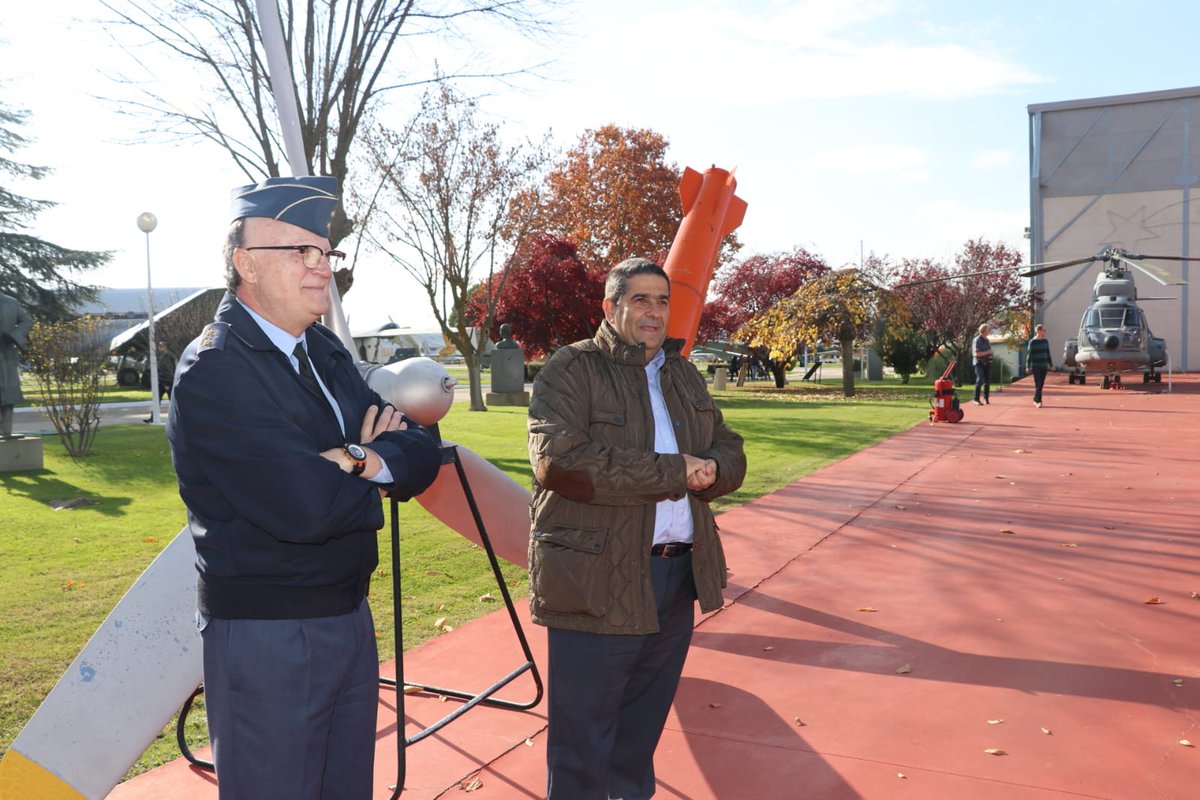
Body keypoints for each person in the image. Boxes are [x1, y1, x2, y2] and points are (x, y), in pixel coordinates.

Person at [165, 175, 442, 799]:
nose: (323, 269)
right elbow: (305, 507)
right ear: (245, 264)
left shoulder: (321, 350)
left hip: (348, 616)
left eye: (326, 252)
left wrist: (351, 458)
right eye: (300, 252)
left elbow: (421, 447)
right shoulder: (215, 368)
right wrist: (372, 457)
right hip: (268, 635)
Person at [527, 257, 747, 800]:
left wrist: (716, 469)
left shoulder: (682, 372)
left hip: (676, 577)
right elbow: (560, 462)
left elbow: (729, 446)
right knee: (583, 744)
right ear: (611, 306)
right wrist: (676, 471)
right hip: (596, 576)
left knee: (638, 737)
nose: (654, 312)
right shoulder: (572, 368)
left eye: (663, 301)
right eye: (641, 299)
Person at [0, 292, 34, 439]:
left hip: (6, 353)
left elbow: (27, 321)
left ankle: (6, 431)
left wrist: (13, 335)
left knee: (8, 394)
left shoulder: (10, 302)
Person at [1026, 323, 1053, 407]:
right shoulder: (1032, 342)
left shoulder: (1045, 341)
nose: (1045, 332)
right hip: (1036, 365)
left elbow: (1048, 353)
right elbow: (1029, 355)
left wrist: (1051, 364)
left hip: (1044, 365)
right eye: (1043, 330)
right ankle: (1039, 401)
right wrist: (1027, 366)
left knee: (1041, 384)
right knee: (1038, 383)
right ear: (1039, 331)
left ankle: (1035, 399)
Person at [972, 323, 993, 405]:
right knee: (980, 379)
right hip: (979, 363)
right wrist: (987, 352)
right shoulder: (977, 340)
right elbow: (976, 354)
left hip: (987, 362)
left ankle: (986, 398)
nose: (989, 331)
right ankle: (976, 399)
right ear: (984, 330)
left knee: (987, 381)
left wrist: (990, 358)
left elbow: (990, 351)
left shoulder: (987, 340)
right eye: (988, 329)